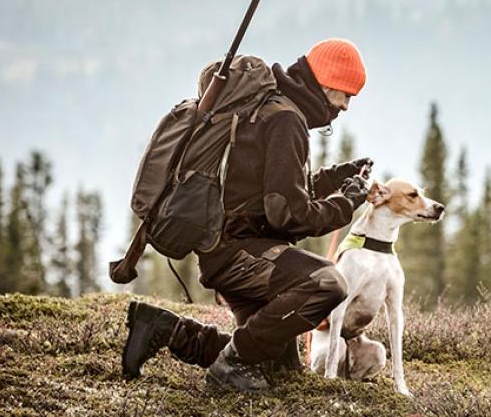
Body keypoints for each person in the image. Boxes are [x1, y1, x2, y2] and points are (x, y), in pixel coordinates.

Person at [121, 38, 373, 392]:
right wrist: (345, 205)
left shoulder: (273, 109)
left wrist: (335, 179)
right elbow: (287, 214)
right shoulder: (286, 120)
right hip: (241, 256)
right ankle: (231, 367)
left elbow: (269, 194)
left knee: (277, 369)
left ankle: (166, 329)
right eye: (345, 95)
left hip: (231, 249)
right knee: (327, 282)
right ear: (327, 84)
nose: (345, 106)